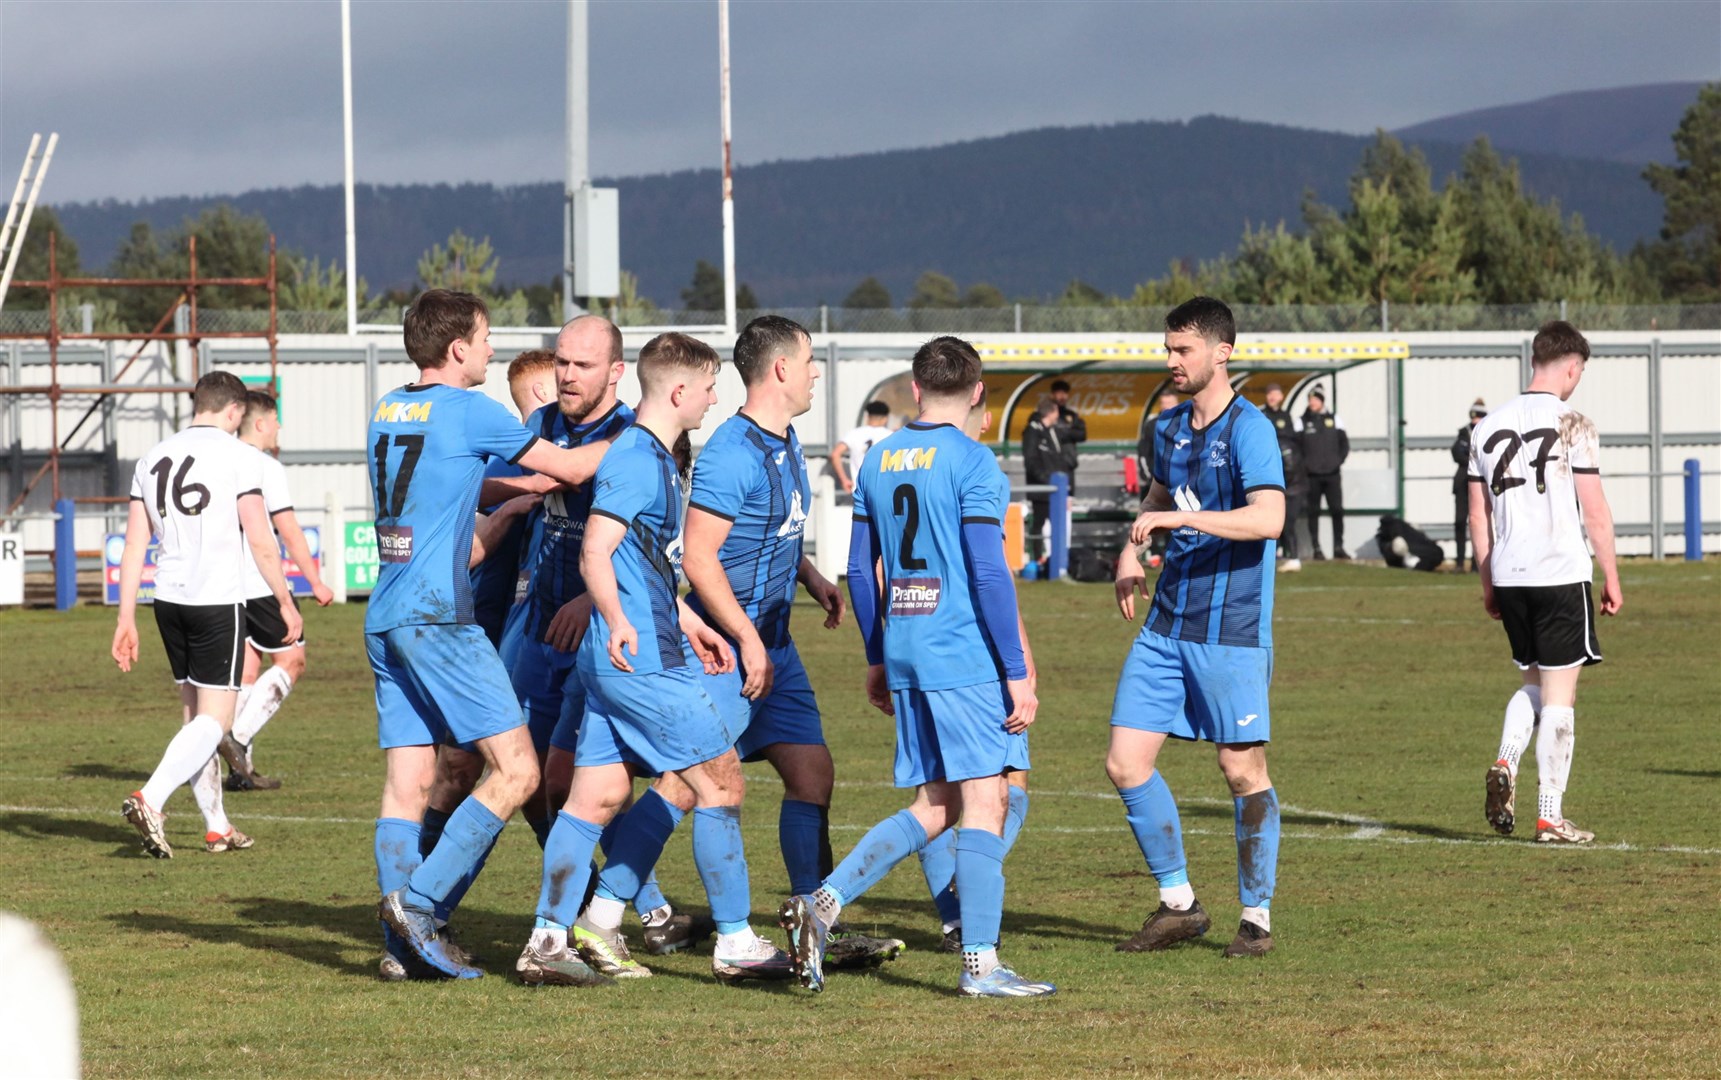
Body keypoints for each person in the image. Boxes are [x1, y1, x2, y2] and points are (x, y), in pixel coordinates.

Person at [779, 335, 1055, 999]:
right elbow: (989, 571)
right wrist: (1016, 669)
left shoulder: (879, 459)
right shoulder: (973, 462)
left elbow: (856, 568)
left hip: (905, 643)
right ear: (978, 391)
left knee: (935, 803)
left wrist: (876, 655)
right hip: (960, 650)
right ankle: (981, 967)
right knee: (984, 800)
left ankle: (821, 905)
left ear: (915, 386)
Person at [518, 331, 796, 988]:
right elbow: (595, 550)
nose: (712, 399)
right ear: (678, 390)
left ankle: (557, 936)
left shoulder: (653, 459)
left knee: (597, 797)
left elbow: (644, 564)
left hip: (629, 652)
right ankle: (734, 941)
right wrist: (617, 621)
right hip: (638, 661)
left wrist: (692, 620)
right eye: (706, 388)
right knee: (720, 782)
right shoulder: (638, 459)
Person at [368, 289, 617, 980]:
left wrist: (509, 496)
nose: (490, 350)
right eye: (484, 339)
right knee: (518, 771)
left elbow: (451, 486)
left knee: (406, 787)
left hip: (384, 614)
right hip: (439, 617)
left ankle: (401, 952)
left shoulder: (389, 407)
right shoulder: (472, 410)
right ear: (456, 349)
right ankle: (418, 907)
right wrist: (645, 436)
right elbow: (569, 468)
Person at [1108, 297, 1285, 960]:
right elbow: (1160, 494)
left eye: (1183, 350)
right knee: (1125, 763)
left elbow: (1267, 519)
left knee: (1239, 769)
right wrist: (1132, 550)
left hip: (1230, 628)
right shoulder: (1168, 427)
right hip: (1164, 626)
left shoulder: (1249, 429)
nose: (1171, 361)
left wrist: (1176, 524)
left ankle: (1256, 916)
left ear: (1221, 352)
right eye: (1168, 348)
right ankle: (1178, 905)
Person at [112, 371, 305, 858]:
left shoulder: (152, 457)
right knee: (214, 723)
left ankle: (217, 825)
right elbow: (261, 539)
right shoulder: (242, 457)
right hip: (216, 600)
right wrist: (285, 600)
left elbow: (134, 543)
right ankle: (149, 799)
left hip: (167, 599)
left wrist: (125, 617)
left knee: (195, 721)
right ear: (235, 411)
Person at [1469, 321, 1620, 845]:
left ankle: (1506, 761)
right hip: (1559, 570)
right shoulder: (1575, 423)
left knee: (1533, 682)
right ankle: (1550, 817)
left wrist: (1488, 581)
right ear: (1572, 367)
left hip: (1510, 574)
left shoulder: (1485, 428)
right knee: (1560, 696)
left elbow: (1477, 517)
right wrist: (1613, 576)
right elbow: (1594, 511)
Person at [217, 389, 335, 792]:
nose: (280, 427)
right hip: (258, 581)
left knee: (248, 670)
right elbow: (287, 529)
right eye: (276, 420)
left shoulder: (219, 459)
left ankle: (240, 769)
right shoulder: (263, 466)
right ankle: (239, 738)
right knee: (292, 660)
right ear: (262, 423)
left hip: (223, 584)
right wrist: (315, 581)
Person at [1021, 397, 1074, 564]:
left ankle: (1057, 560)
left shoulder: (1051, 431)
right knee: (1039, 523)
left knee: (1057, 524)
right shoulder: (1032, 431)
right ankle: (1038, 559)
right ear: (1051, 412)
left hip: (1055, 488)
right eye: (1057, 411)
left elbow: (1058, 459)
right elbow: (1030, 460)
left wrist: (1064, 487)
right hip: (1041, 488)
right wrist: (1045, 480)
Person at [1260, 383, 1305, 572]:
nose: (1272, 397)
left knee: (1288, 519)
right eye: (1269, 393)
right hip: (1269, 474)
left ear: (1281, 397)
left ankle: (1292, 557)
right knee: (1267, 516)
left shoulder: (1288, 417)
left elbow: (1297, 446)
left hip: (1292, 478)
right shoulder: (1260, 415)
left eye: (1276, 394)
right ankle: (1272, 554)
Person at [1300, 386, 1349, 560]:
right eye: (1310, 399)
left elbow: (1344, 444)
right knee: (1313, 511)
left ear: (1322, 401)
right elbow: (1297, 447)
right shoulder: (1302, 421)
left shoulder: (1334, 419)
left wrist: (1337, 461)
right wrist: (1305, 465)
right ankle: (1316, 548)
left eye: (1316, 399)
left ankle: (1338, 547)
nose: (1312, 402)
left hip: (1332, 474)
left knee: (1337, 510)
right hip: (1312, 476)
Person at [1134, 390, 1182, 568]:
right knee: (1149, 518)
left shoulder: (1185, 422)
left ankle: (1172, 554)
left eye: (1170, 402)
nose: (1167, 405)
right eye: (1164, 402)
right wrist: (1148, 476)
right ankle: (1152, 554)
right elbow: (1143, 452)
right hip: (1155, 481)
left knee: (1175, 518)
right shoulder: (1153, 424)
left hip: (1177, 483)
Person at [1451, 399, 1487, 572]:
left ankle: (1476, 563)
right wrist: (1474, 459)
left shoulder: (1487, 432)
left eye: (1479, 416)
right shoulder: (1463, 433)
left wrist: (1470, 456)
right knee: (1460, 522)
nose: (1475, 420)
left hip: (1480, 484)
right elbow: (1457, 453)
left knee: (1478, 524)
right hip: (1463, 482)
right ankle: (1459, 562)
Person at [831, 399, 892, 495]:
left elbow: (835, 454)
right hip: (883, 489)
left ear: (868, 416)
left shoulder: (855, 433)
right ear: (885, 418)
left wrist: (844, 480)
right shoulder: (890, 435)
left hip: (859, 489)